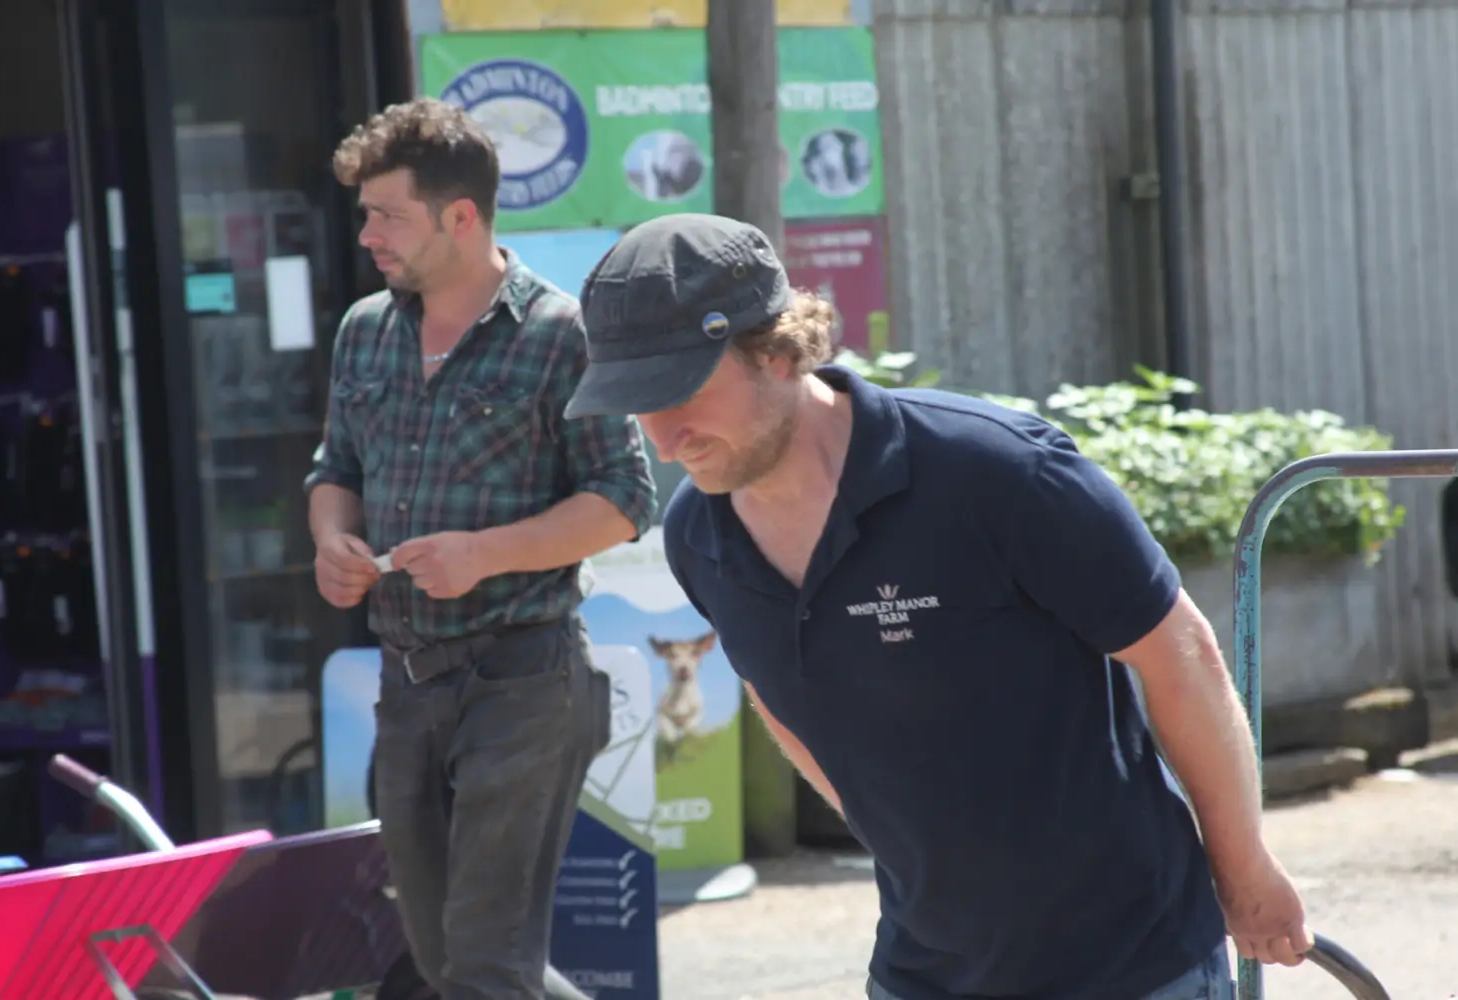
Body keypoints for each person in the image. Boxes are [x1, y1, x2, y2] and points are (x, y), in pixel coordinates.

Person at [563, 212, 1311, 1000]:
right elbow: (774, 691)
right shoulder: (698, 537)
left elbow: (1180, 654)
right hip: (923, 971)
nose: (663, 435)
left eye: (679, 391)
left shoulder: (997, 472)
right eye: (633, 403)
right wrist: (910, 841)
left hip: (1127, 963)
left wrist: (1244, 865)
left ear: (778, 351)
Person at [304, 98, 656, 1000]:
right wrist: (331, 540)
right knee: (443, 964)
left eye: (388, 214)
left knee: (487, 970)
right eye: (365, 212)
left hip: (524, 679)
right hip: (407, 682)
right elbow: (334, 467)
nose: (368, 233)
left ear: (461, 217)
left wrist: (484, 554)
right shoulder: (363, 331)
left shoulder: (561, 333)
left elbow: (622, 503)